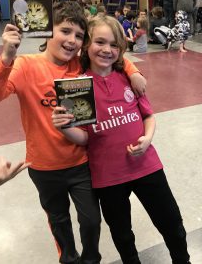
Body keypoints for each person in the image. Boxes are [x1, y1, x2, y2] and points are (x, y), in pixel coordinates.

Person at [0, 1, 146, 264]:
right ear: (49, 31)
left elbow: (111, 56)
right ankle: (69, 259)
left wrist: (133, 70)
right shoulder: (25, 66)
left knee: (92, 221)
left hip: (80, 162)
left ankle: (91, 259)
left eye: (79, 36)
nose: (72, 40)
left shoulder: (78, 67)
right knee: (59, 221)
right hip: (44, 166)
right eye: (66, 31)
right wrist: (6, 56)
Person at [52, 14, 191, 264]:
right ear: (86, 45)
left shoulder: (129, 78)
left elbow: (148, 116)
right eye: (100, 42)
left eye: (114, 45)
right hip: (108, 176)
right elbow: (83, 138)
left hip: (147, 165)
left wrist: (147, 139)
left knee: (172, 223)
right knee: (123, 235)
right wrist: (64, 127)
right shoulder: (77, 87)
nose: (107, 50)